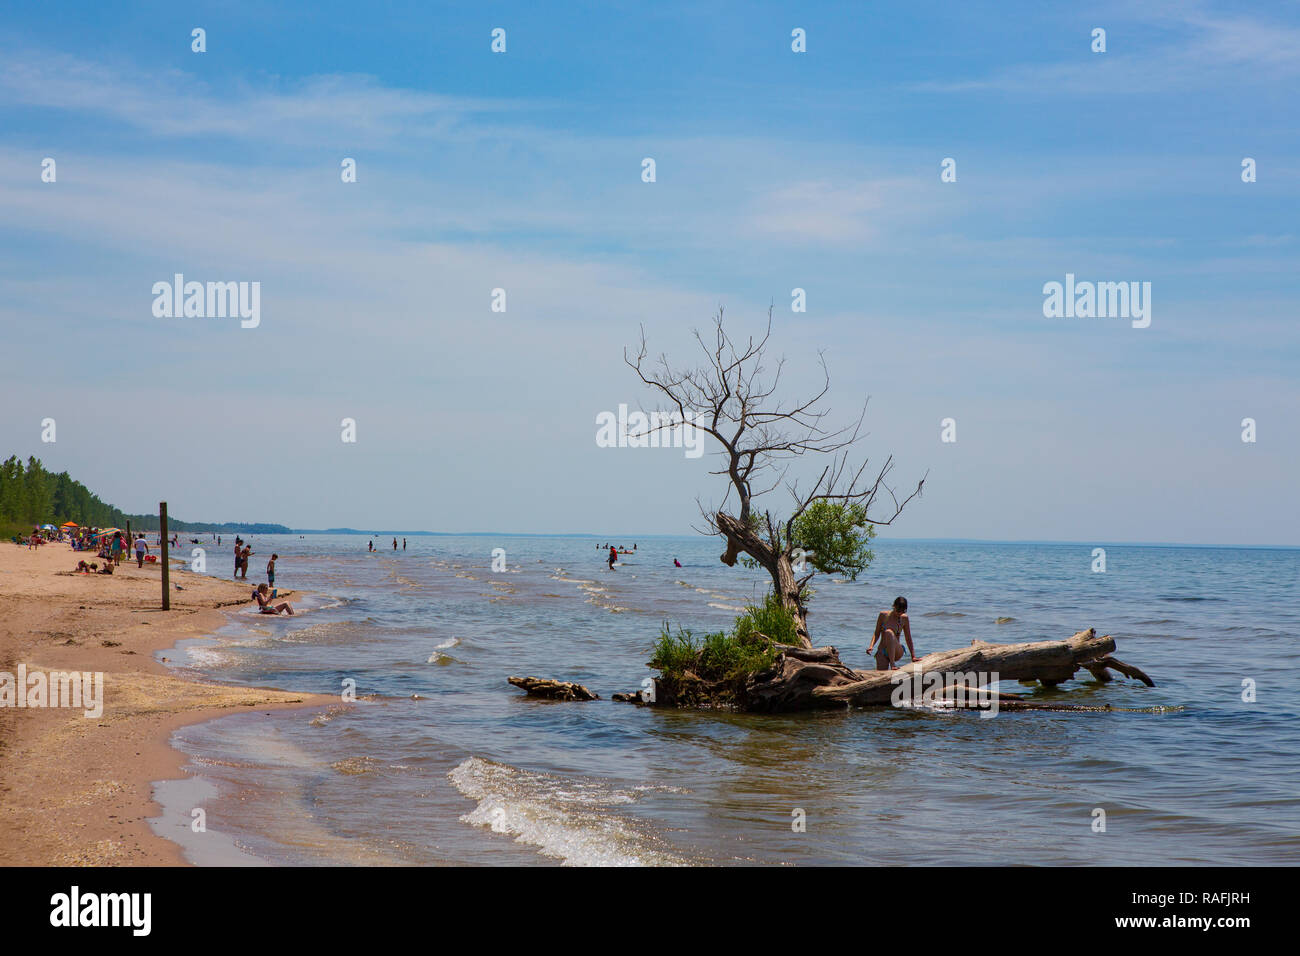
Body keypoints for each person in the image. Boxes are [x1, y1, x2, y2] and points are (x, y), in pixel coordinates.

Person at [868, 597, 916, 671]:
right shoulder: (883, 615)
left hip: (897, 651)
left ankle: (892, 664)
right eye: (898, 611)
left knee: (889, 632)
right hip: (883, 651)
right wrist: (871, 646)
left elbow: (908, 638)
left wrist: (913, 656)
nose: (899, 613)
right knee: (881, 676)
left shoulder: (904, 619)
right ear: (894, 606)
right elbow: (876, 633)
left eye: (902, 611)